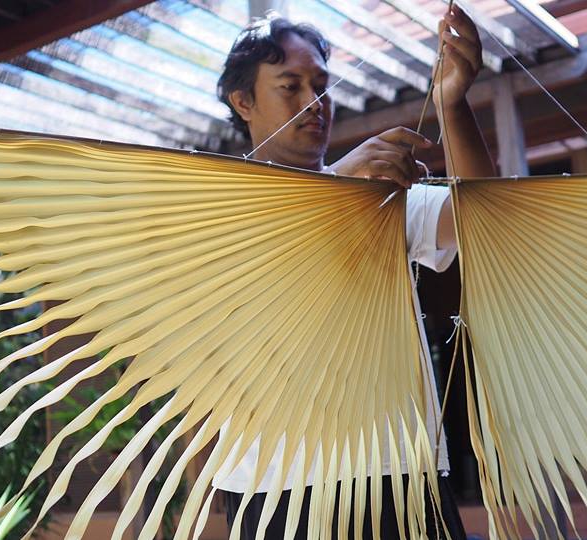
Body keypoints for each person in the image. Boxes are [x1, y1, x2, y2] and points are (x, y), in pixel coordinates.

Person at [212, 6, 495, 539]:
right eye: (290, 86)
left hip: (400, 467)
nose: (314, 101)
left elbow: (484, 224)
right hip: (277, 484)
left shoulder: (375, 196)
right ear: (243, 101)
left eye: (321, 86)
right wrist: (340, 181)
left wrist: (451, 105)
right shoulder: (214, 202)